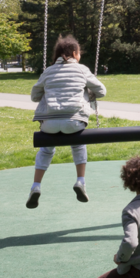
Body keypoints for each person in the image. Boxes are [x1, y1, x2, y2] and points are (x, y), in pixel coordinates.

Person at [27, 35, 107, 210]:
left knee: (46, 150)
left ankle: (36, 186)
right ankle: (80, 181)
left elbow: (34, 96)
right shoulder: (82, 70)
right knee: (78, 145)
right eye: (79, 53)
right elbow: (102, 91)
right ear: (74, 53)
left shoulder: (47, 71)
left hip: (49, 124)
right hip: (74, 122)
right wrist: (87, 92)